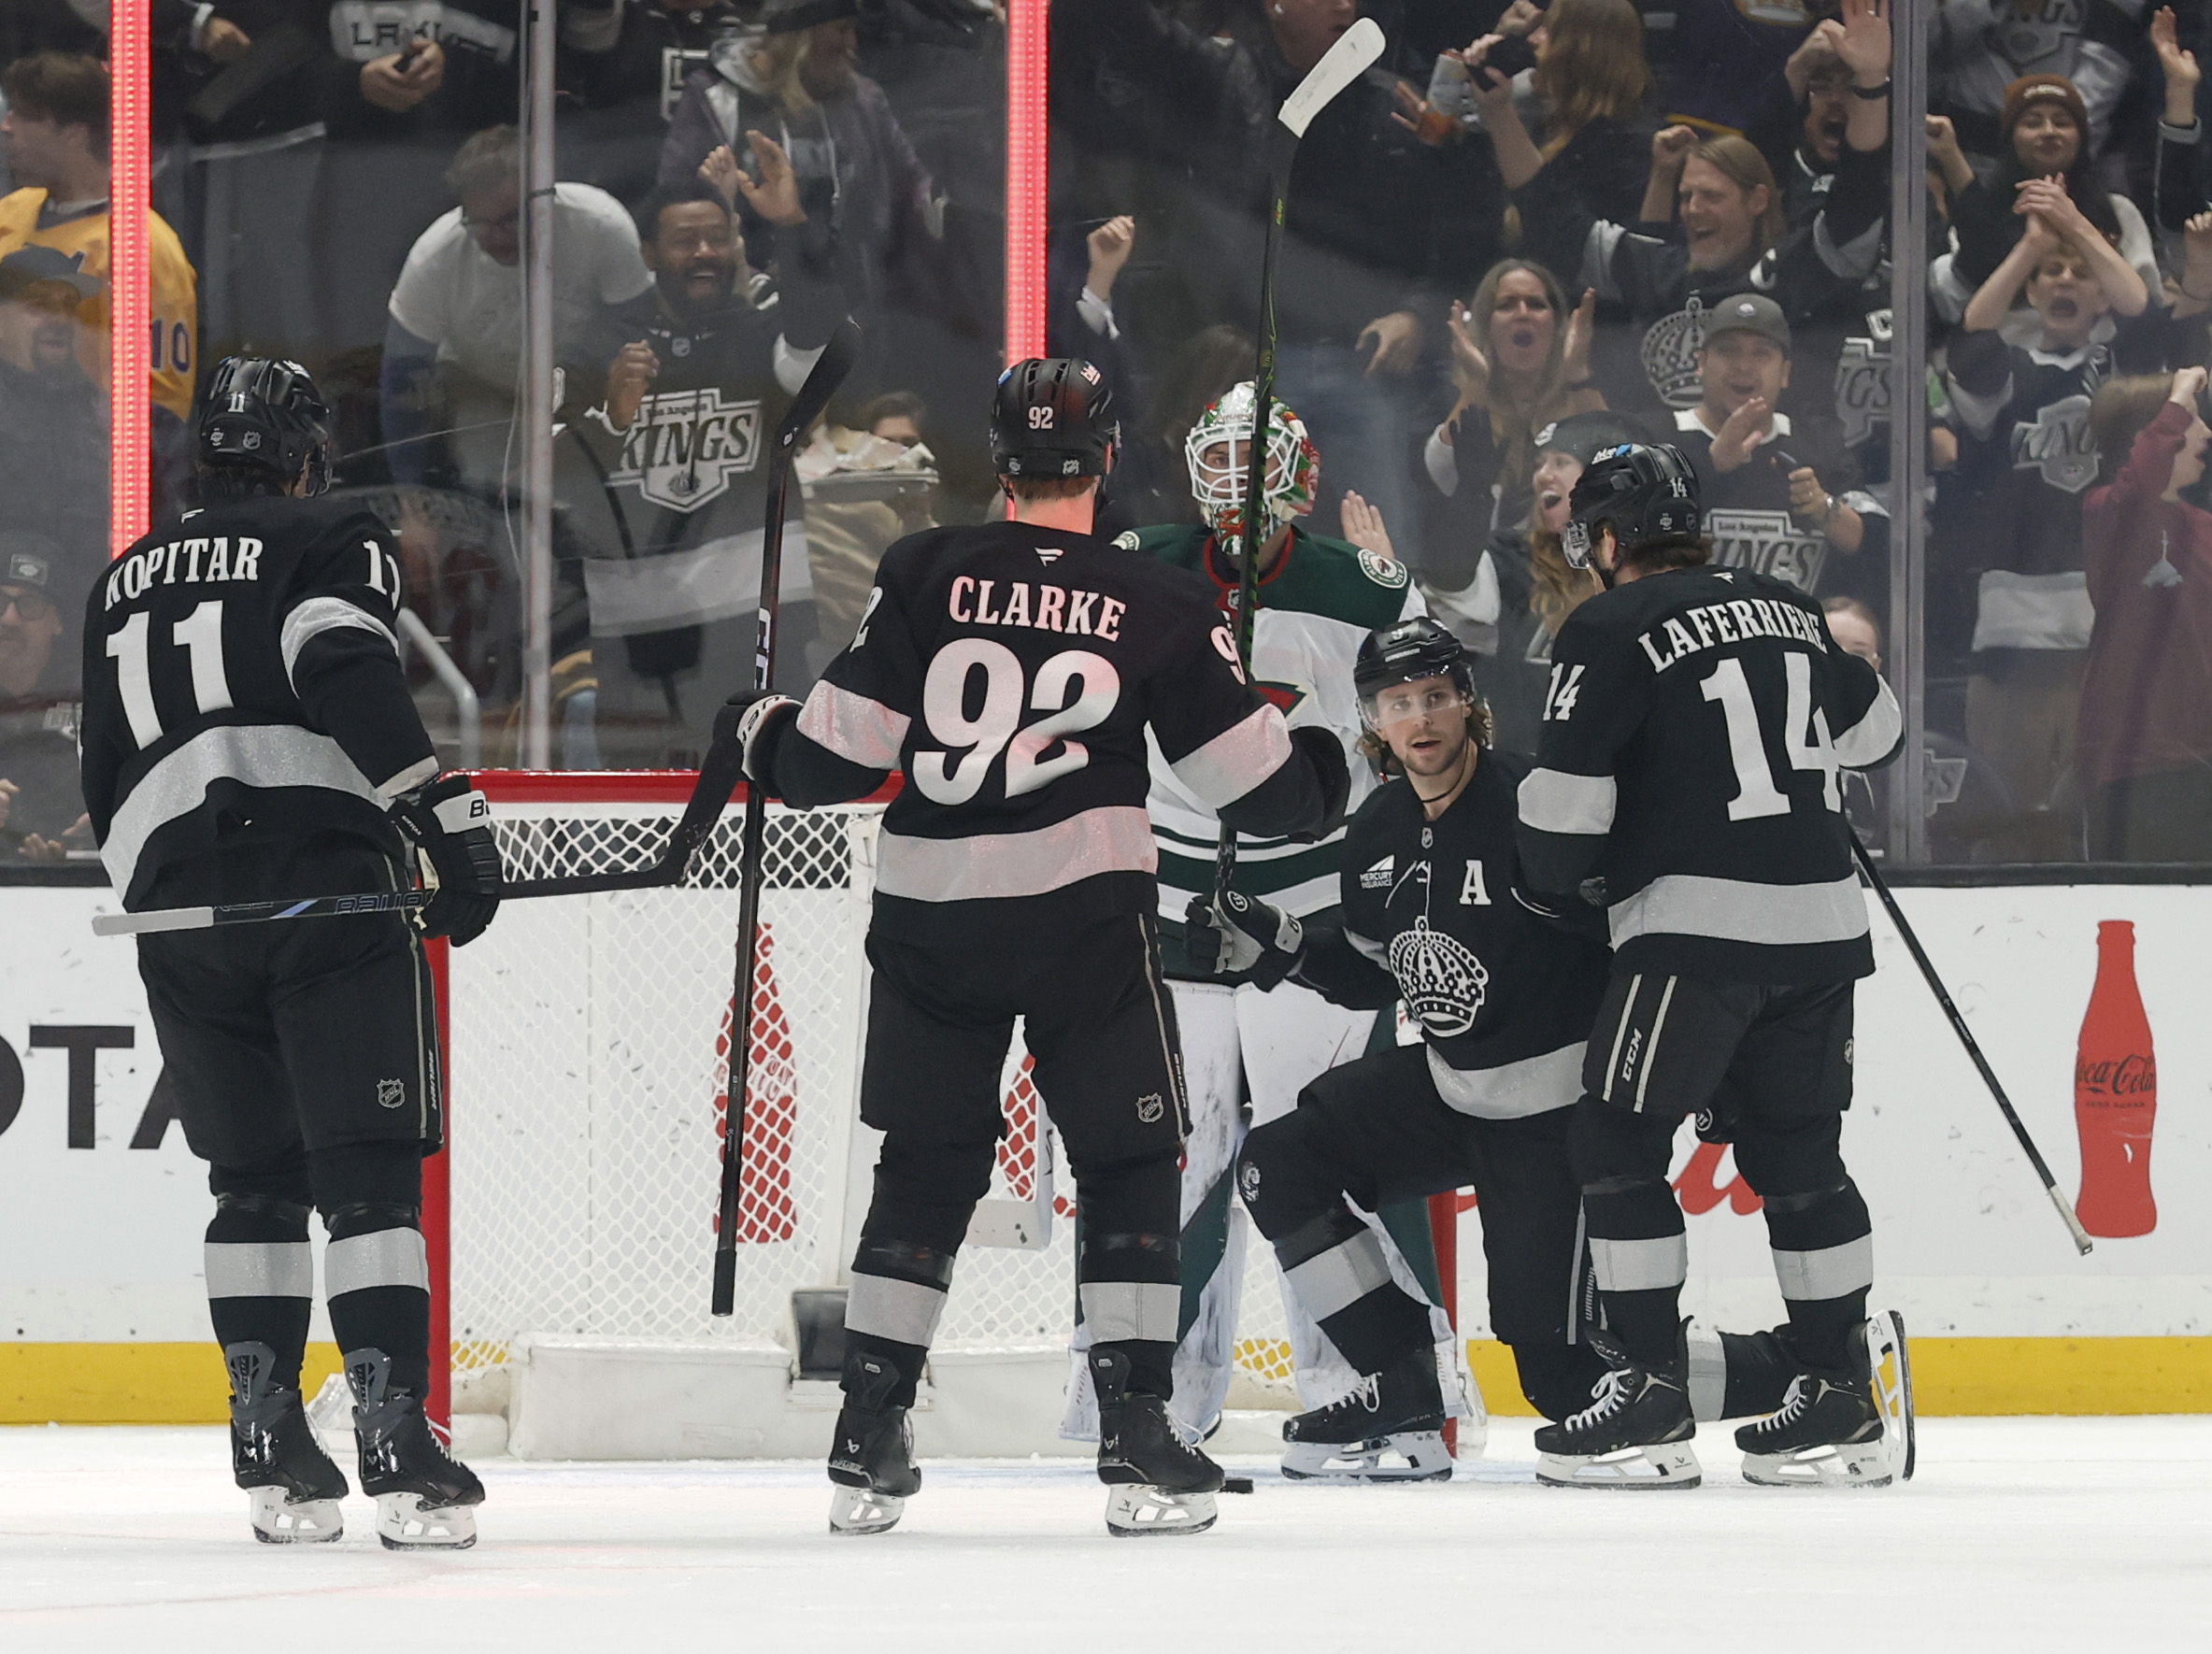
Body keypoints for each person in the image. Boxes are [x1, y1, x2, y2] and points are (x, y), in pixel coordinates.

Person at [727, 357, 1349, 1538]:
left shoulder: (922, 569)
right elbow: (1256, 792)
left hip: (931, 922)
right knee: (1127, 1165)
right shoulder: (1157, 601)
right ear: (1108, 459)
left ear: (998, 461)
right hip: (1083, 926)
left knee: (924, 1165)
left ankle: (868, 1427)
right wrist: (1318, 755)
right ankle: (1137, 1431)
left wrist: (758, 732)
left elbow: (833, 759)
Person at [1194, 616, 1805, 1482]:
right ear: (1371, 721)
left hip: (1563, 1121)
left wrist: (1708, 1062)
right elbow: (1384, 975)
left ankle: (1811, 1363)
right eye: (1398, 703)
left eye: (1436, 696)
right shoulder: (1374, 833)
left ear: (1468, 703)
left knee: (1568, 1384)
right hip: (1452, 1092)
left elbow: (1647, 940)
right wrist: (1286, 943)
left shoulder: (1537, 809)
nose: (1421, 719)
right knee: (1277, 1165)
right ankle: (1401, 1386)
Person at [77, 357, 505, 1548]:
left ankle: (267, 1443)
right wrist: (435, 810)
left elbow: (100, 769)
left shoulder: (122, 577)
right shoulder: (331, 530)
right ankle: (396, 1445)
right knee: (367, 1177)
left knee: (249, 1182)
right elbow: (340, 663)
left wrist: (169, 894)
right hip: (323, 893)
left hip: (175, 909)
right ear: (304, 452)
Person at [1514, 440, 1909, 1490]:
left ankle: (1647, 1394)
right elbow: (1881, 733)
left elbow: (1560, 828)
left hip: (1696, 931)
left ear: (1605, 539)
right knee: (1799, 1156)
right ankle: (1839, 1396)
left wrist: (1563, 882)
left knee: (1615, 1137)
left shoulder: (1604, 624)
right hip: (1824, 928)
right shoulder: (1786, 603)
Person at [1098, 381, 1431, 1443]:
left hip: (1315, 912)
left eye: (1258, 461)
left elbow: (1425, 731)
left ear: (1304, 473)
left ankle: (1370, 1389)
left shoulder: (1370, 591)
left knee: (1325, 1148)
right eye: (1222, 462)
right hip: (1171, 898)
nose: (1237, 487)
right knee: (1167, 1155)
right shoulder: (1140, 563)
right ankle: (1145, 1400)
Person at [561, 149, 847, 763]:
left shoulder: (761, 337)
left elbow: (814, 343)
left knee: (773, 822)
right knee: (645, 833)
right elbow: (541, 488)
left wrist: (793, 227)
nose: (703, 253)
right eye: (685, 240)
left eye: (716, 238)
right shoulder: (598, 351)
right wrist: (610, 420)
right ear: (647, 256)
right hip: (637, 651)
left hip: (762, 636)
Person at [1484, 0, 1892, 421]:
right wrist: (1497, 111)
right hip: (1661, 474)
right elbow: (1547, 213)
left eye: (1712, 197)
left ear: (1757, 201)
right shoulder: (1659, 270)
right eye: (1686, 196)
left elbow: (1858, 190)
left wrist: (1870, 79)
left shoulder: (1795, 271)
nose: (1693, 210)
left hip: (1781, 473)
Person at [1944, 191, 2158, 860]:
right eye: (2048, 275)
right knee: (2013, 820)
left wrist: (2073, 226)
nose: (2062, 280)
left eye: (2078, 273)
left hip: (2109, 624)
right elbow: (1973, 333)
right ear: (2030, 293)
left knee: (2098, 818)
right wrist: (2030, 247)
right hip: (2014, 637)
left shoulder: (2119, 373)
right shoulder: (2012, 371)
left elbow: (2142, 310)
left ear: (2100, 295)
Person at [381, 125, 656, 499]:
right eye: (481, 223)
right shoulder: (433, 261)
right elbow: (401, 386)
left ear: (547, 198)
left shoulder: (601, 225)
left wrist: (587, 401)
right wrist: (412, 502)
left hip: (589, 404)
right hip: (486, 413)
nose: (497, 237)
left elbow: (639, 329)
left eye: (512, 220)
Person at [0, 52, 198, 431]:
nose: (6, 127)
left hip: (73, 470)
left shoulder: (142, 246)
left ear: (74, 133)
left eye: (25, 116)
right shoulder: (11, 212)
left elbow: (159, 412)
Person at [1665, 293, 1886, 601]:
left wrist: (1823, 508)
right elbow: (1626, 536)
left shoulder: (1818, 443)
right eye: (1728, 351)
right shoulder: (1661, 436)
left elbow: (1881, 544)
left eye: (1761, 353)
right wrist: (1710, 466)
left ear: (1784, 373)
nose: (1743, 366)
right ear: (1701, 363)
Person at [2078, 365, 2212, 860]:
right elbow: (2136, 491)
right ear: (2150, 435)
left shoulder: (2206, 527)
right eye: (2191, 421)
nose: (2206, 433)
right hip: (2134, 765)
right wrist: (2178, 395)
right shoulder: (2109, 513)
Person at [1422, 258, 1603, 550]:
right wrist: (1477, 382)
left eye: (1536, 304)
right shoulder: (1463, 395)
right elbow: (1442, 468)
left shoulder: (1581, 396)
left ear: (1557, 324)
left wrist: (1578, 372)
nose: (1522, 314)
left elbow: (1617, 459)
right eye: (1506, 305)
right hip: (1490, 573)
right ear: (1486, 325)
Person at [0, 244, 107, 611]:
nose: (61, 319)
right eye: (40, 304)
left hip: (81, 621)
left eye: (68, 305)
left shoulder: (98, 413)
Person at [0, 532, 84, 862]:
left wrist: (98, 834)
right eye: (0, 602)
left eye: (29, 605)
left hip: (77, 895)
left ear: (58, 622)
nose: (9, 618)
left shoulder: (99, 706)